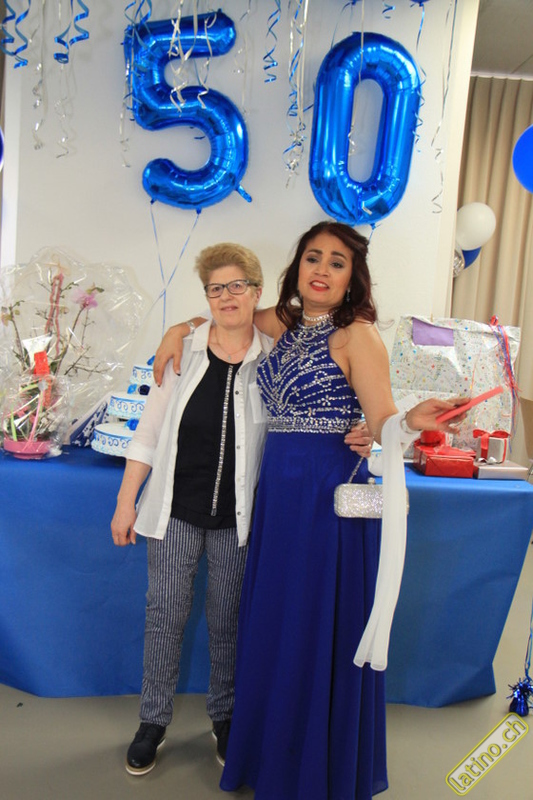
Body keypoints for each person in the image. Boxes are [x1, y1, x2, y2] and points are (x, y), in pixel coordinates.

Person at [153, 221, 466, 799]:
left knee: (313, 621)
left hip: (326, 494)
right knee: (278, 621)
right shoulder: (285, 322)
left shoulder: (357, 335)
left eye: (337, 262)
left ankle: (313, 768)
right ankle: (273, 754)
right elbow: (229, 314)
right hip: (278, 491)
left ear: (352, 278)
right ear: (297, 268)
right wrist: (179, 328)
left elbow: (381, 418)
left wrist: (406, 422)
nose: (322, 270)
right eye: (313, 258)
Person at [110, 243, 273, 775]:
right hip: (175, 514)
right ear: (206, 296)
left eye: (236, 286)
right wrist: (126, 502)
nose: (226, 296)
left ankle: (224, 717)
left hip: (237, 522)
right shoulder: (182, 351)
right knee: (165, 617)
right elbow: (148, 434)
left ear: (256, 292)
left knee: (228, 622)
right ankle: (152, 721)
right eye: (215, 288)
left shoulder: (273, 359)